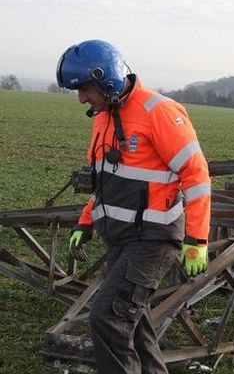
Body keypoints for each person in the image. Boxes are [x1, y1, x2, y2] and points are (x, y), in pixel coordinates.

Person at [56, 39, 211, 373]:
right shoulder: (104, 117)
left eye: (84, 89)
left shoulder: (159, 112)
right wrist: (86, 222)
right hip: (121, 239)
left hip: (152, 239)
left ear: (106, 79)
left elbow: (196, 175)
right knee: (134, 322)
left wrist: (197, 240)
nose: (82, 98)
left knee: (109, 317)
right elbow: (104, 180)